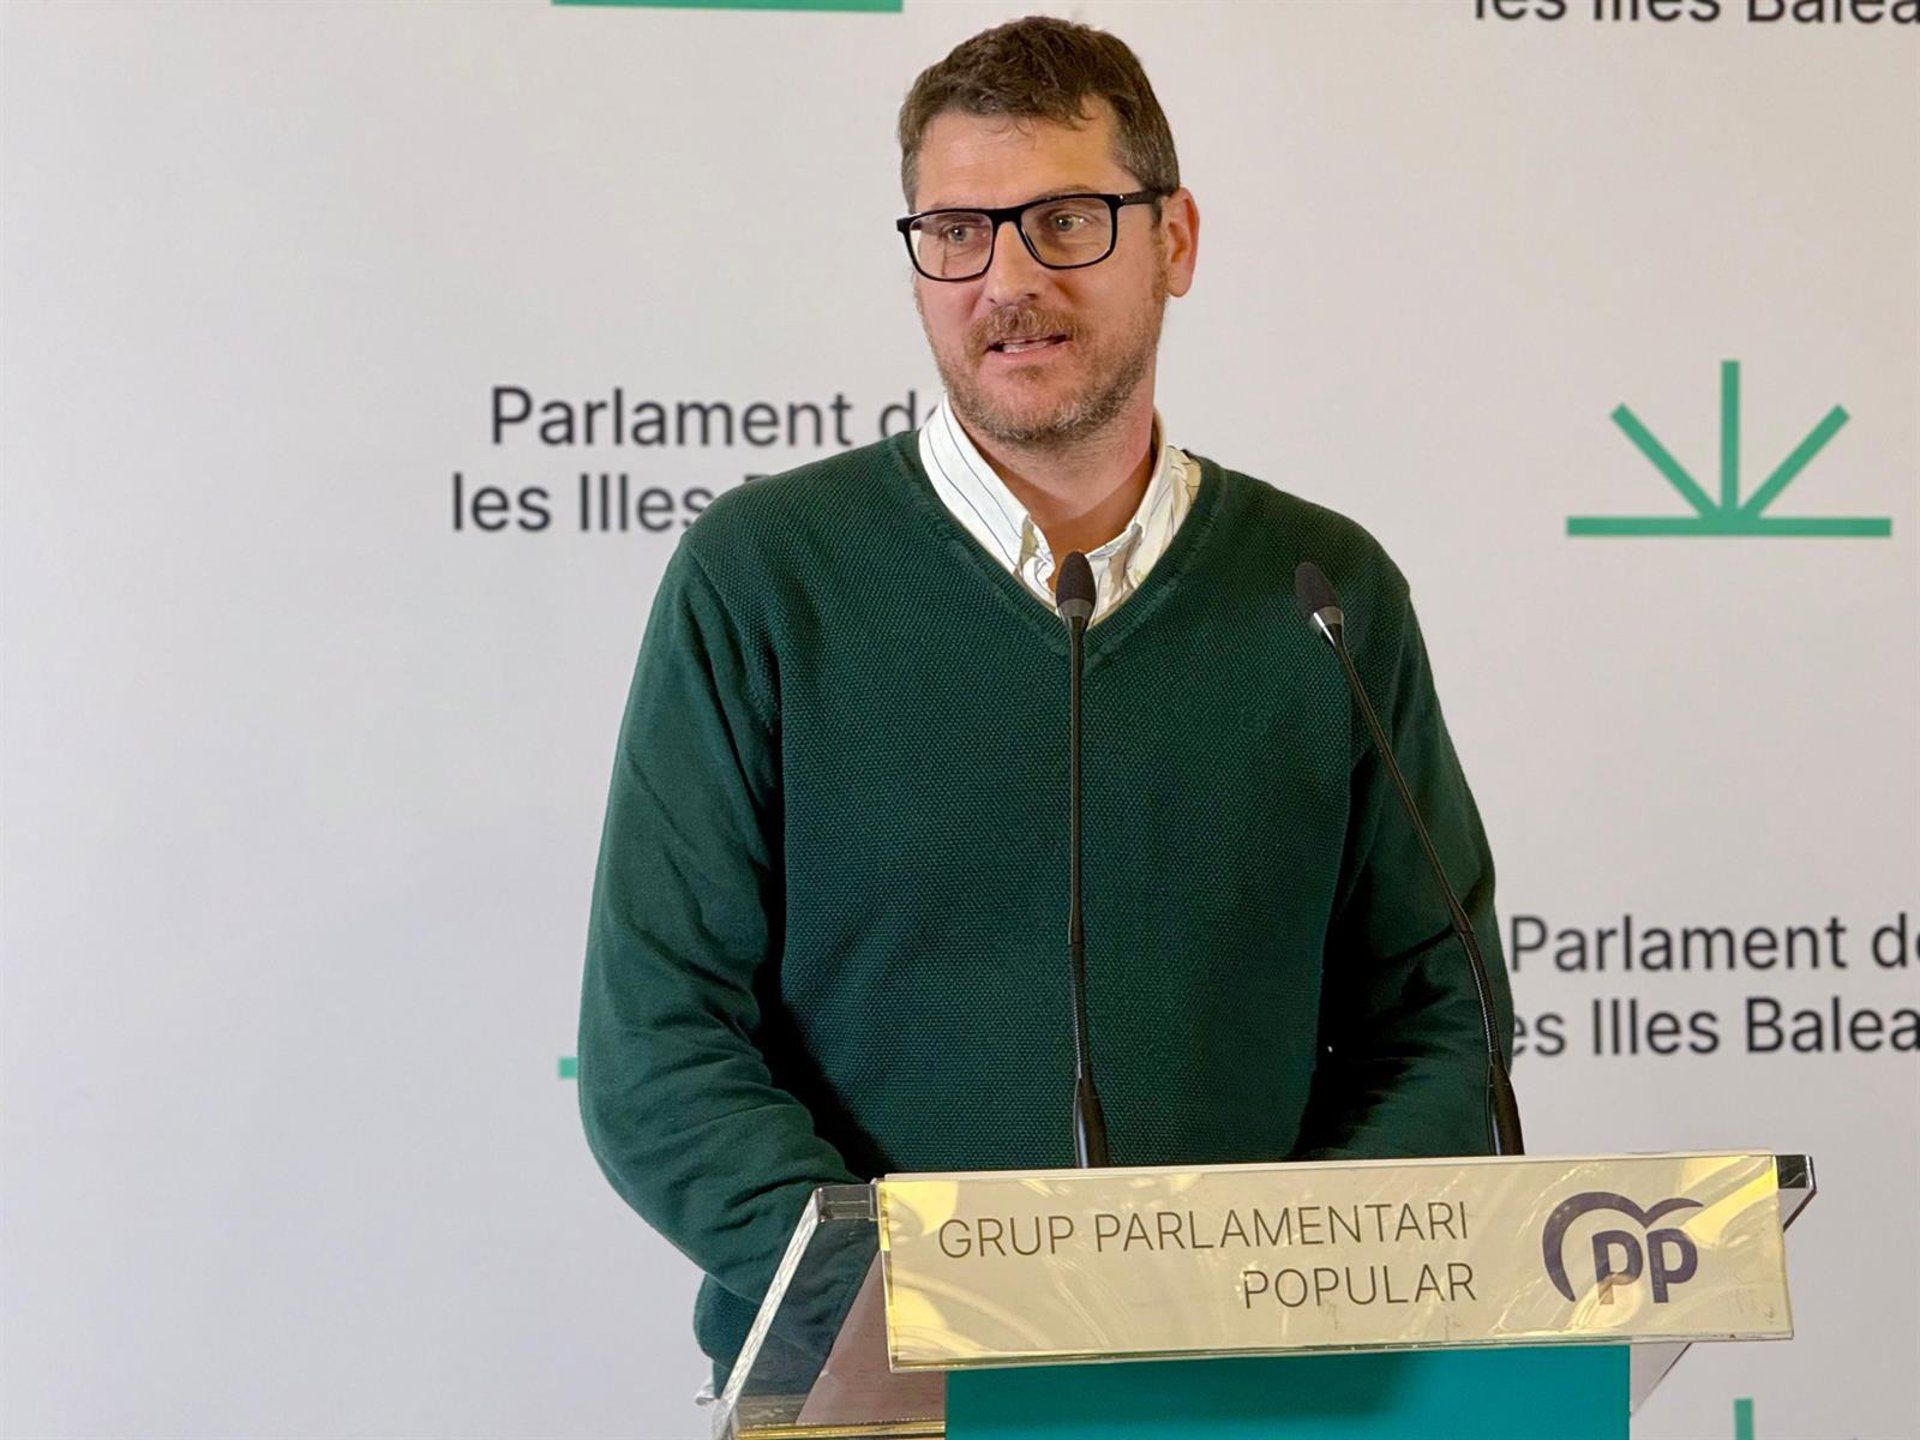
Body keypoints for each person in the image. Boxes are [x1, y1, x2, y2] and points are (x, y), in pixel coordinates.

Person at [576, 14, 1514, 1398]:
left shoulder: (1323, 590)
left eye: (1066, 221)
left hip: (1255, 1396)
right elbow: (657, 1048)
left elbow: (1443, 1017)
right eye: (956, 233)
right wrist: (913, 1311)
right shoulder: (767, 576)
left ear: (1174, 241)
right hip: (876, 1392)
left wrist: (1296, 1293)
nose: (1007, 281)